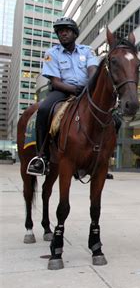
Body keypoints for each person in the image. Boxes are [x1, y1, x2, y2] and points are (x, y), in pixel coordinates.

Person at [27, 17, 99, 175]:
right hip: (62, 91)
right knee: (44, 110)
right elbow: (56, 81)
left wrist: (89, 86)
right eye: (60, 31)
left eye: (66, 30)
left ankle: (100, 158)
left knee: (113, 116)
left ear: (75, 33)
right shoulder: (51, 53)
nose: (63, 33)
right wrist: (74, 89)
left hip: (86, 90)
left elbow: (93, 70)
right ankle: (42, 157)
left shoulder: (87, 50)